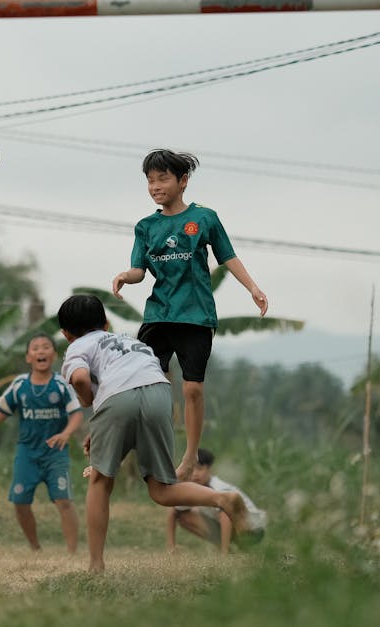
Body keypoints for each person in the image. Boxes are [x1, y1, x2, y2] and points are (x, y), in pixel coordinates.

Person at [57, 294, 248, 574]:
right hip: (159, 392)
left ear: (66, 334)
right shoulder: (131, 342)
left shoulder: (78, 347)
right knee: (162, 489)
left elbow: (82, 379)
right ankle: (221, 499)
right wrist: (104, 423)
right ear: (106, 323)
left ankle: (96, 564)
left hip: (118, 398)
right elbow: (134, 388)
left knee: (99, 481)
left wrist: (87, 401)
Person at [111, 149, 268, 482]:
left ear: (183, 181)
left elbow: (228, 257)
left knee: (192, 390)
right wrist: (126, 275)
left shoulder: (205, 218)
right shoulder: (145, 227)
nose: (156, 186)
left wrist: (253, 287)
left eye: (163, 178)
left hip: (196, 317)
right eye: (150, 181)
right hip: (158, 316)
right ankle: (156, 446)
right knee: (147, 383)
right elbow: (140, 270)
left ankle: (190, 454)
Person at [0, 333, 84, 553]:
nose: (41, 351)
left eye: (46, 347)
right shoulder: (20, 384)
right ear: (28, 357)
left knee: (63, 501)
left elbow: (77, 414)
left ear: (53, 355)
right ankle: (35, 548)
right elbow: (2, 411)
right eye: (35, 348)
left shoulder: (62, 384)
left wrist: (66, 434)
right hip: (27, 453)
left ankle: (73, 552)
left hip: (56, 453)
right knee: (20, 502)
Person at [166, 448, 267, 555]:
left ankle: (227, 552)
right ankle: (229, 551)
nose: (195, 474)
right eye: (191, 470)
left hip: (253, 530)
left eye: (200, 469)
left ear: (210, 470)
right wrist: (171, 546)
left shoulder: (219, 488)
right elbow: (173, 511)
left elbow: (226, 515)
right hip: (231, 527)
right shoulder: (191, 489)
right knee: (184, 517)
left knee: (224, 510)